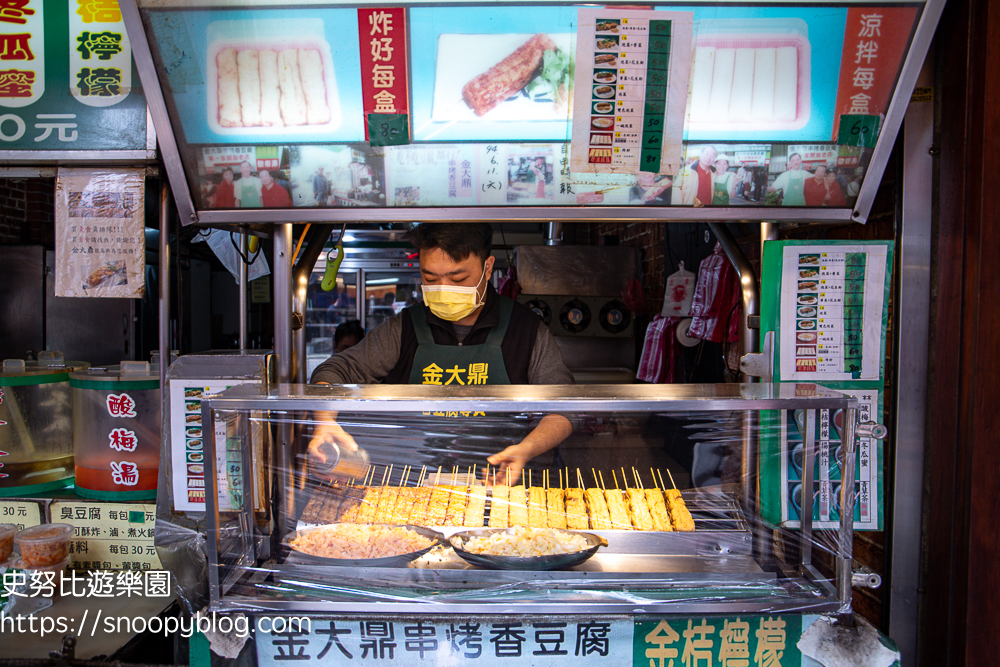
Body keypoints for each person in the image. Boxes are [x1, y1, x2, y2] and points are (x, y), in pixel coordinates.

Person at [309, 223, 574, 483]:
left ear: (488, 267)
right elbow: (333, 372)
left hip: (501, 489)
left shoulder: (525, 329)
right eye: (430, 278)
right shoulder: (404, 328)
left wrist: (525, 450)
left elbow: (567, 407)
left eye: (458, 279)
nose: (444, 289)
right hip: (412, 490)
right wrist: (325, 422)